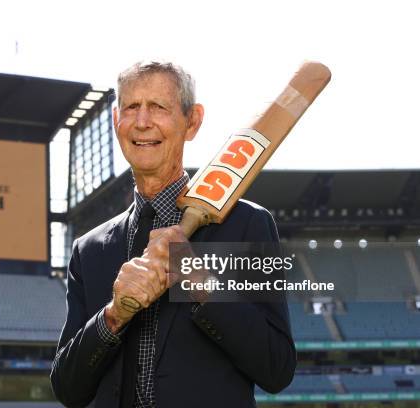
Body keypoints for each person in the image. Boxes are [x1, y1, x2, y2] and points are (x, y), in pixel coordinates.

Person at [50, 61, 296, 407]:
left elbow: (277, 369)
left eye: (159, 107)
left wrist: (199, 283)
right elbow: (67, 389)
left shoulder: (246, 226)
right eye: (131, 107)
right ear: (116, 120)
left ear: (192, 121)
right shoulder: (89, 250)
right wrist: (114, 315)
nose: (142, 121)